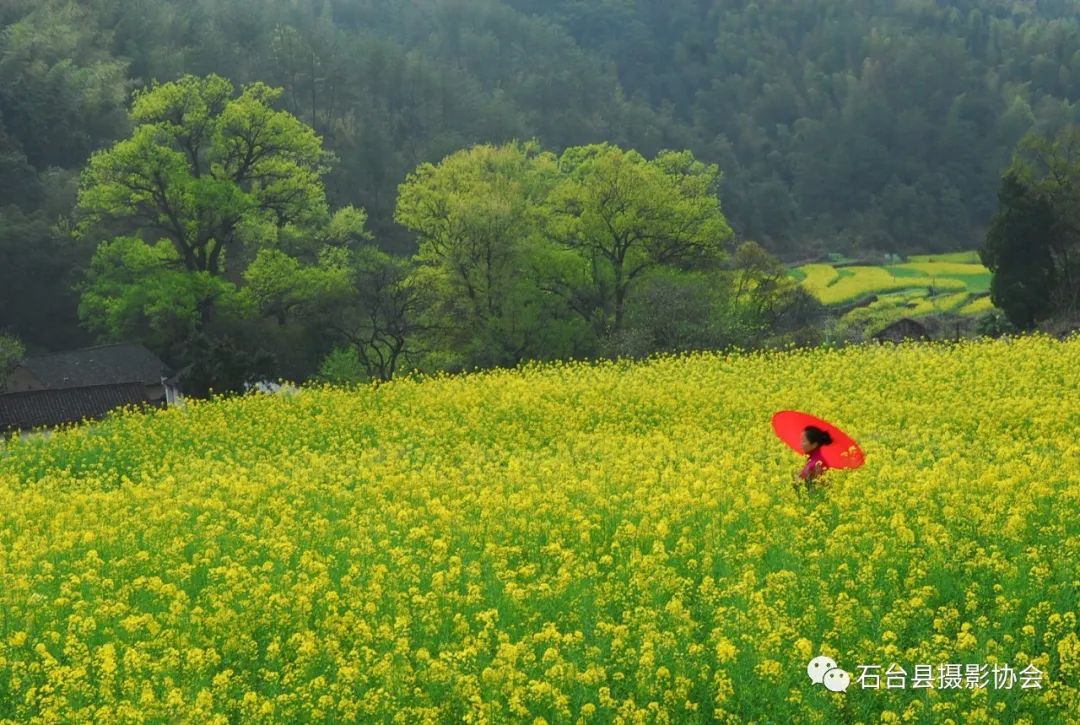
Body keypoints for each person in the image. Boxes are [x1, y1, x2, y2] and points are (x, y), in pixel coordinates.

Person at [791, 425, 833, 495]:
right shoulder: (811, 460)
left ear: (814, 445)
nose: (801, 444)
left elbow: (815, 489)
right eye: (801, 440)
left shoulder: (817, 463)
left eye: (804, 441)